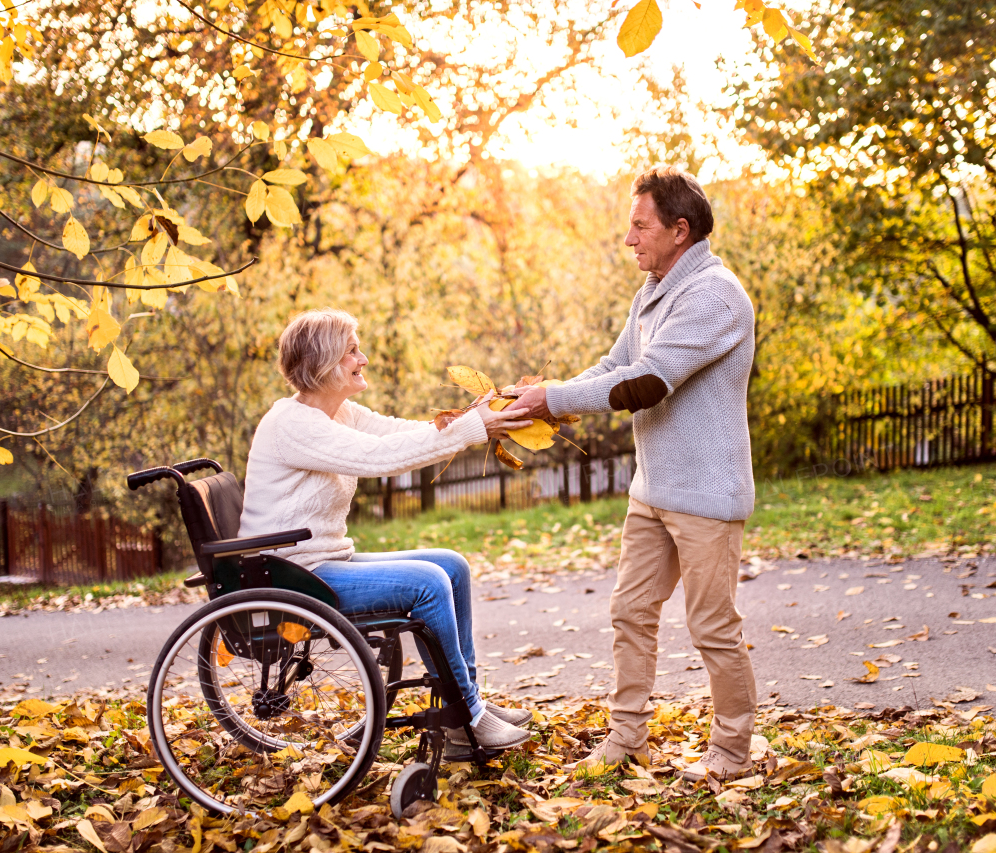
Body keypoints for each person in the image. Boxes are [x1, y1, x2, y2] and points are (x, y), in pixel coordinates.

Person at [514, 165, 757, 781]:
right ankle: (627, 738)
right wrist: (545, 395)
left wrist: (556, 398)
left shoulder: (715, 295)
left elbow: (646, 383)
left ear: (680, 230)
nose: (629, 238)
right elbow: (615, 363)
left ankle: (730, 753)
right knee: (630, 612)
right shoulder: (653, 289)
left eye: (639, 224)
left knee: (712, 628)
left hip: (706, 493)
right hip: (653, 490)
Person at [239, 307, 535, 750]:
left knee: (451, 565)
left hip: (321, 562)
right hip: (294, 576)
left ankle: (466, 699)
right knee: (428, 583)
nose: (365, 358)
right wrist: (473, 429)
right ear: (323, 364)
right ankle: (465, 717)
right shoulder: (294, 424)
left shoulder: (338, 413)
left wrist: (473, 416)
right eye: (353, 351)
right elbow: (382, 459)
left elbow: (402, 434)